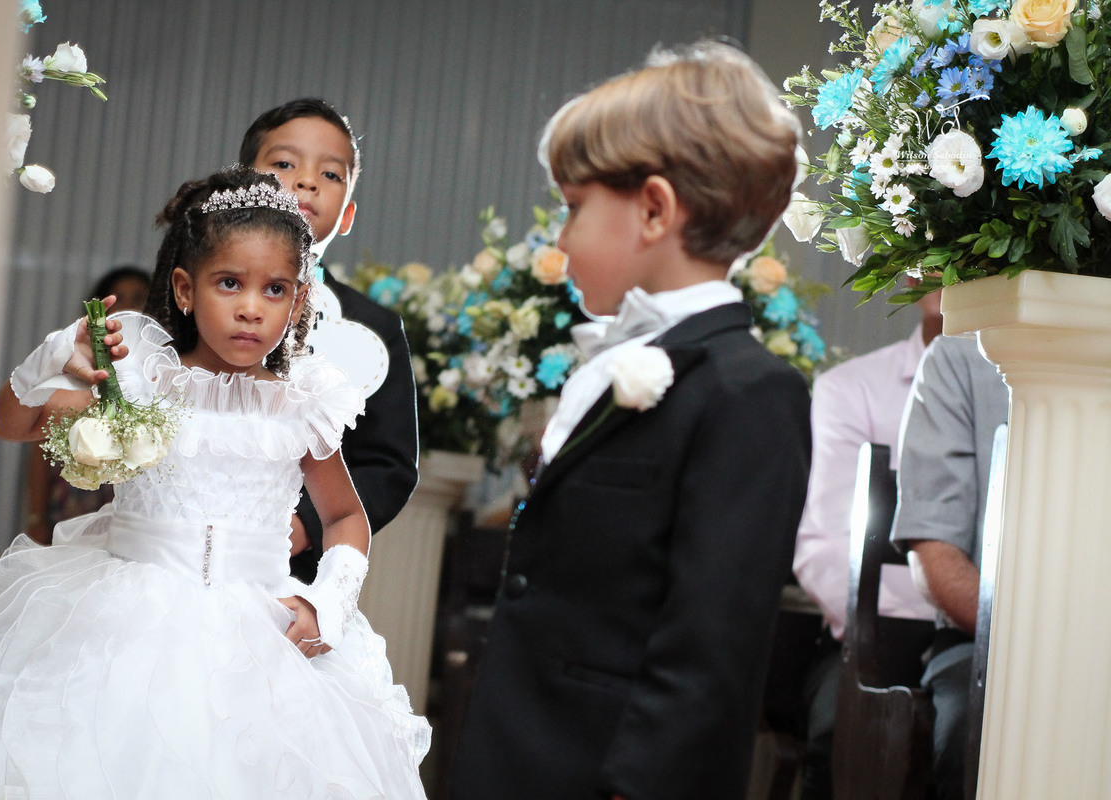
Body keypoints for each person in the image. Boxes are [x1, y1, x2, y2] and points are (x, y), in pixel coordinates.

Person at [0, 167, 430, 798]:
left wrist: (325, 602)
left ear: (298, 300)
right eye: (230, 283)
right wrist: (53, 356)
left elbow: (343, 518)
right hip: (120, 624)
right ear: (186, 288)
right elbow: (14, 424)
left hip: (258, 637)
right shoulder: (140, 373)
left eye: (275, 289)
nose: (252, 307)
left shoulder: (301, 403)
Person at [449, 41, 812, 800]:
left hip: (606, 775)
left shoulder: (749, 393)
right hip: (521, 758)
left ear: (653, 209)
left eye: (573, 208)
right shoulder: (610, 367)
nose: (559, 238)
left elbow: (710, 649)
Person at [239, 98, 419, 582]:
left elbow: (388, 464)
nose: (307, 180)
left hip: (292, 572)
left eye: (332, 174)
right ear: (238, 185)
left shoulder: (370, 327)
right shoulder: (195, 295)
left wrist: (305, 526)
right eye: (283, 163)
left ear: (347, 215)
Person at [791, 286, 943, 799]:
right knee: (844, 729)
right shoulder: (853, 387)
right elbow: (824, 545)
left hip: (997, 642)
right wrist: (920, 622)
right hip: (872, 634)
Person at [890, 333, 1008, 800]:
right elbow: (936, 557)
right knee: (983, 735)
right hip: (982, 644)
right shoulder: (962, 355)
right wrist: (1037, 652)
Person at [22, 265, 150, 544]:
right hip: (75, 501)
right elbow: (39, 449)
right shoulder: (73, 365)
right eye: (118, 298)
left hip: (135, 515)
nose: (127, 306)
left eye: (138, 297)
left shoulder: (162, 369)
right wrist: (36, 517)